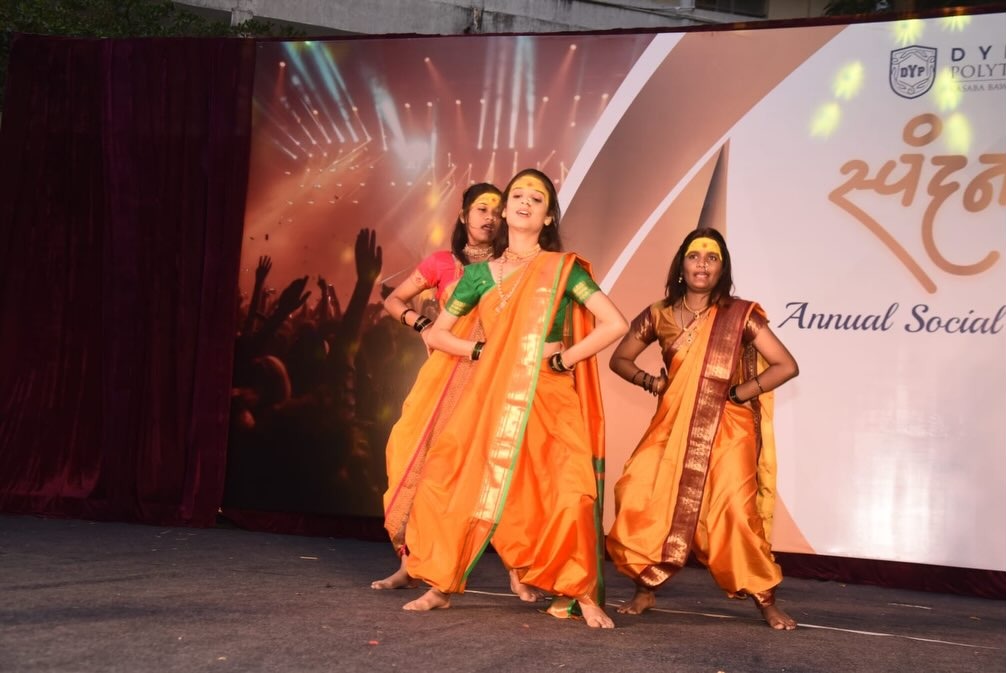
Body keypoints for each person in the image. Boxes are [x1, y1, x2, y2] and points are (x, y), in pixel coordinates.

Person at [396, 168, 629, 629]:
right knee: (454, 478)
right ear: (505, 211)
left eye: (536, 199)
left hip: (548, 391)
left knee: (570, 490)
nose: (524, 202)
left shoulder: (562, 269)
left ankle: (579, 592)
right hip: (491, 390)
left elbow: (615, 323)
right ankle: (441, 585)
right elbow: (439, 335)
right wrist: (481, 351)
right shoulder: (477, 276)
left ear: (548, 217)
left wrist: (564, 359)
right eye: (517, 195)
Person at [605, 227, 799, 630]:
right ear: (682, 265)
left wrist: (740, 392)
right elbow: (619, 359)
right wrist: (652, 382)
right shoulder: (659, 313)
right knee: (638, 492)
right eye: (695, 256)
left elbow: (786, 365)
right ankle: (645, 587)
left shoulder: (740, 315)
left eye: (712, 258)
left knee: (735, 512)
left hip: (729, 428)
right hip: (673, 423)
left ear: (722, 269)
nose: (702, 264)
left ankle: (765, 598)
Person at [373, 183, 511, 591]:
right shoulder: (442, 263)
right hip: (443, 377)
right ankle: (410, 563)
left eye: (497, 211)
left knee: (487, 469)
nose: (490, 217)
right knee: (412, 456)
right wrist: (422, 324)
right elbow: (394, 300)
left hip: (491, 379)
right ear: (464, 215)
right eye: (481, 209)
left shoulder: (509, 266)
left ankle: (516, 571)